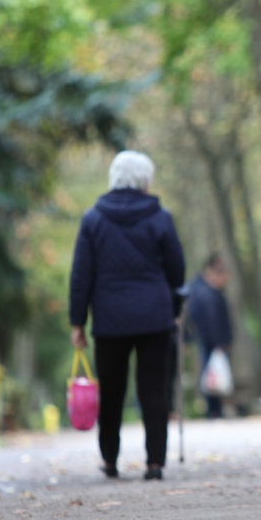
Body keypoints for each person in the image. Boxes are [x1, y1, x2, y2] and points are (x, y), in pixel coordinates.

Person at [69, 150, 186, 481]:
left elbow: (81, 275)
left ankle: (110, 460)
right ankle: (155, 463)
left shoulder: (93, 218)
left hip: (110, 319)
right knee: (154, 390)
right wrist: (175, 309)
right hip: (155, 317)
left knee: (112, 391)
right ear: (145, 180)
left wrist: (78, 321)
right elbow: (177, 270)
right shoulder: (160, 217)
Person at [185, 253, 235, 419]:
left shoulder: (202, 290)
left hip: (208, 340)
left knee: (213, 375)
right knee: (212, 376)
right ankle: (214, 410)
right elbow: (210, 320)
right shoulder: (206, 293)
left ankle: (215, 409)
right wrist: (219, 342)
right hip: (211, 341)